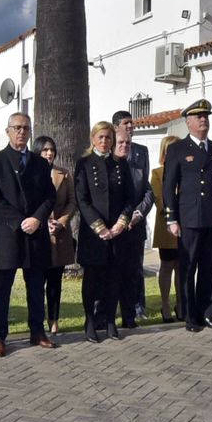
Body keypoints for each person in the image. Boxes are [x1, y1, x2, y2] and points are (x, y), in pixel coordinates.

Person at [0, 113, 57, 356]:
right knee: (2, 289)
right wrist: (19, 221)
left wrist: (37, 219)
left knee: (36, 287)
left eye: (26, 128)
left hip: (35, 235)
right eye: (17, 128)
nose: (21, 132)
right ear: (7, 131)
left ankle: (37, 332)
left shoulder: (40, 163)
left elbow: (50, 196)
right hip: (7, 235)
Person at [163, 99, 212, 332]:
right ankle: (189, 315)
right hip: (190, 219)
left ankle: (207, 313)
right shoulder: (177, 149)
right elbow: (168, 186)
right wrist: (171, 218)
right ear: (188, 122)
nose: (203, 120)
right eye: (198, 117)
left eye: (206, 116)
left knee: (209, 269)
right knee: (188, 268)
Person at [75, 122, 135, 341]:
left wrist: (121, 223)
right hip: (94, 233)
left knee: (114, 279)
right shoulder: (84, 164)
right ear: (93, 138)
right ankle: (90, 321)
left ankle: (110, 321)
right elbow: (82, 199)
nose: (104, 141)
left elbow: (131, 198)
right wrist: (100, 227)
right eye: (100, 137)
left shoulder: (121, 165)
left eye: (108, 138)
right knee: (91, 279)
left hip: (117, 233)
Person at [111, 110, 152, 322]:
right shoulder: (108, 151)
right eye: (126, 123)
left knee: (136, 268)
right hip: (114, 223)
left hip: (135, 223)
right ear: (115, 126)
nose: (130, 127)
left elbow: (147, 190)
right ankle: (113, 307)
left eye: (131, 124)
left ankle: (137, 308)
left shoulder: (141, 152)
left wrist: (138, 212)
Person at [36, 136, 76, 336]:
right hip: (38, 234)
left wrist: (61, 222)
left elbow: (71, 201)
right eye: (45, 150)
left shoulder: (64, 173)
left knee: (54, 281)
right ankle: (36, 320)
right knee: (37, 282)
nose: (49, 153)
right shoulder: (29, 173)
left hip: (59, 235)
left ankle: (54, 319)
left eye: (51, 150)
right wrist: (43, 222)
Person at [149, 135, 180, 322]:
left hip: (186, 226)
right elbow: (160, 200)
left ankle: (181, 304)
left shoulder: (186, 171)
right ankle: (165, 305)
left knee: (182, 267)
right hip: (167, 225)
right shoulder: (157, 173)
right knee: (168, 266)